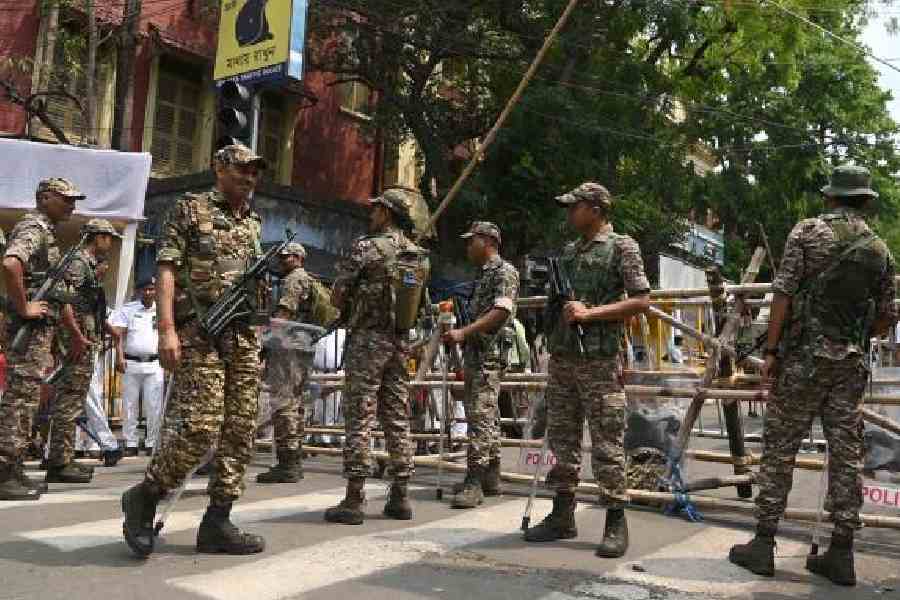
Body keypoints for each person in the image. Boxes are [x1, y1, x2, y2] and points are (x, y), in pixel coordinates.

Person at [729, 165, 897, 586]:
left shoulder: (806, 232)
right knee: (846, 457)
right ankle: (841, 553)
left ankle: (764, 544)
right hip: (850, 365)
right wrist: (856, 337)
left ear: (830, 196)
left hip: (802, 361)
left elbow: (782, 292)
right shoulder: (879, 249)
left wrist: (770, 349)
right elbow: (888, 316)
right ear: (864, 200)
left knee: (780, 448)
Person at [121, 144, 268, 558]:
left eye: (255, 172)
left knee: (240, 429)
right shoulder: (191, 209)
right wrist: (167, 329)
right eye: (242, 169)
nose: (249, 177)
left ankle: (218, 520)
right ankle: (146, 495)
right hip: (200, 333)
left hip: (242, 337)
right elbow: (166, 267)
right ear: (218, 167)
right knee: (201, 427)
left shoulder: (253, 222)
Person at [523, 182, 650, 559]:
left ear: (595, 209)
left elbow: (641, 300)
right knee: (563, 440)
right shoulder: (569, 253)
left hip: (599, 360)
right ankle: (563, 513)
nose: (569, 213)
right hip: (564, 359)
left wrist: (590, 313)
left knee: (608, 443)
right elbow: (556, 304)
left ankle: (615, 520)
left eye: (574, 207)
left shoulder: (622, 247)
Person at [324, 188, 430, 525]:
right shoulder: (417, 255)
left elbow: (339, 293)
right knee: (397, 417)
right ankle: (400, 495)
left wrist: (346, 307)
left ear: (386, 213)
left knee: (360, 416)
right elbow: (420, 305)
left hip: (367, 341)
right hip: (400, 343)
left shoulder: (367, 248)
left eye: (376, 209)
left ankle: (354, 498)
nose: (371, 214)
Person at [0, 178, 80, 500]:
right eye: (66, 199)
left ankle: (14, 468)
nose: (72, 206)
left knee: (27, 399)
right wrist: (24, 306)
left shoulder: (45, 229)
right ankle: (4, 473)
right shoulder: (33, 227)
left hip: (36, 334)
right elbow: (10, 263)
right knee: (19, 401)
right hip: (27, 332)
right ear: (45, 197)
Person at [442, 221, 519, 509]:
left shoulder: (504, 272)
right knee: (486, 415)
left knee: (480, 416)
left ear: (487, 241)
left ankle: (475, 481)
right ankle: (491, 476)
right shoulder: (483, 274)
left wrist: (465, 332)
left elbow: (501, 312)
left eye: (471, 240)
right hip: (478, 352)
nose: (467, 247)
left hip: (490, 354)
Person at [45, 220, 121, 485]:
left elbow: (86, 303)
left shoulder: (87, 264)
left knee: (73, 400)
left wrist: (107, 329)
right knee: (69, 400)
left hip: (87, 335)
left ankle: (62, 458)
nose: (110, 243)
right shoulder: (77, 262)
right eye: (107, 238)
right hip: (78, 340)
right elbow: (64, 302)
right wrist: (77, 336)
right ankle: (60, 462)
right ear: (96, 237)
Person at [257, 242, 313, 484]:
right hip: (301, 346)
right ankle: (293, 458)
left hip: (287, 347)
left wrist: (263, 343)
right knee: (295, 402)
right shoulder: (302, 278)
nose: (282, 261)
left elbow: (282, 316)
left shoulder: (294, 280)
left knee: (284, 402)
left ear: (298, 258)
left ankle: (287, 462)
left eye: (286, 257)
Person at [111, 277, 164, 456]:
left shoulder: (163, 309)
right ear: (139, 291)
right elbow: (117, 334)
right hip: (131, 362)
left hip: (155, 363)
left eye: (151, 289)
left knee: (154, 405)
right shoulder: (128, 310)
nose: (148, 292)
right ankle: (130, 442)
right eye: (145, 289)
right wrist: (119, 356)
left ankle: (152, 442)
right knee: (129, 404)